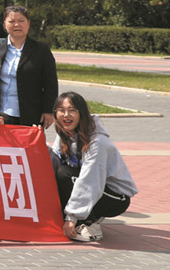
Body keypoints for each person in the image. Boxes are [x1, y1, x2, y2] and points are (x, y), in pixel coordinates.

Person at [51, 92, 139, 242]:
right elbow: (51, 163)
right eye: (61, 110)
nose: (66, 115)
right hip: (98, 189)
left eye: (72, 110)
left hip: (116, 198)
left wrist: (72, 216)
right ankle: (85, 216)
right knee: (60, 173)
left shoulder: (96, 142)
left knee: (65, 174)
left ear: (81, 114)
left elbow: (90, 180)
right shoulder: (64, 135)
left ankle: (89, 224)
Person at [0, 5, 58, 128]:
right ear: (5, 24)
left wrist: (48, 110)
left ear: (28, 23)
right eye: (12, 21)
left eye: (21, 21)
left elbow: (50, 83)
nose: (16, 25)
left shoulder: (41, 50)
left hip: (30, 114)